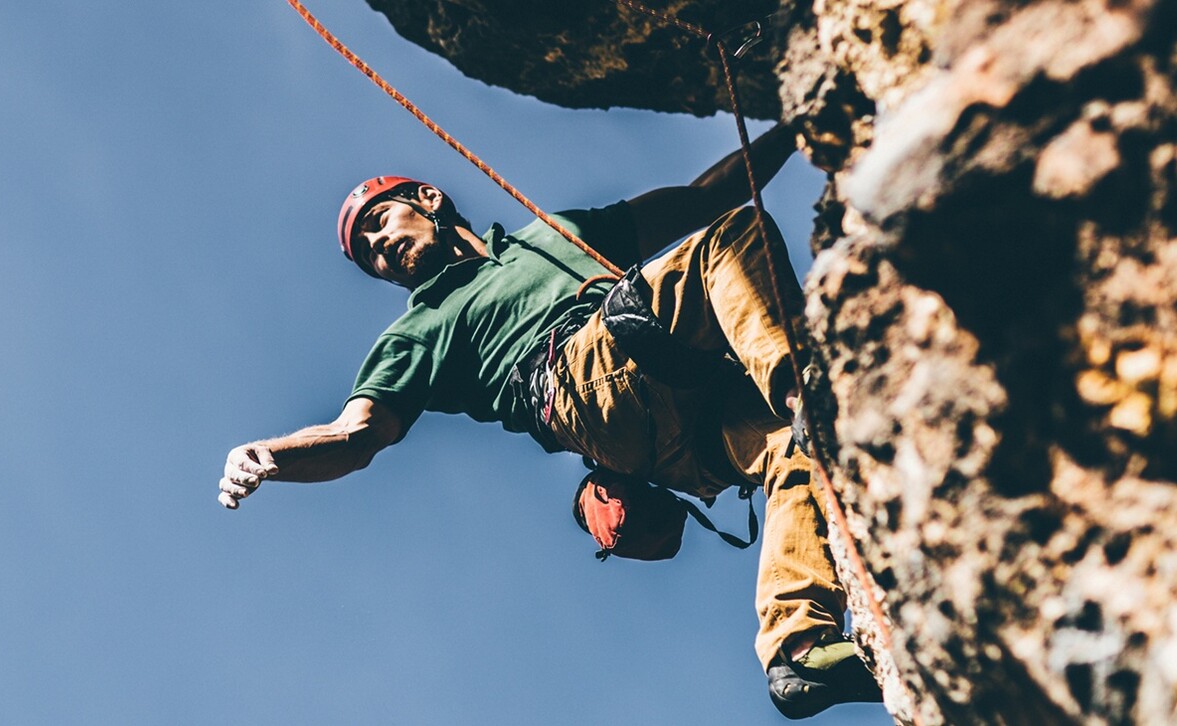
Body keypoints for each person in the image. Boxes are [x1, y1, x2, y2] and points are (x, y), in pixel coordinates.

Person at [216, 125, 883, 719]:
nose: (377, 244)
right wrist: (273, 455)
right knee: (732, 244)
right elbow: (357, 435)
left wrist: (798, 124)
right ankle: (807, 396)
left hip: (662, 432)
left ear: (428, 200)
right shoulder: (417, 330)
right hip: (577, 380)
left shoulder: (551, 235)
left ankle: (797, 649)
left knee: (792, 455)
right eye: (367, 250)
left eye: (379, 221)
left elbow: (701, 194)